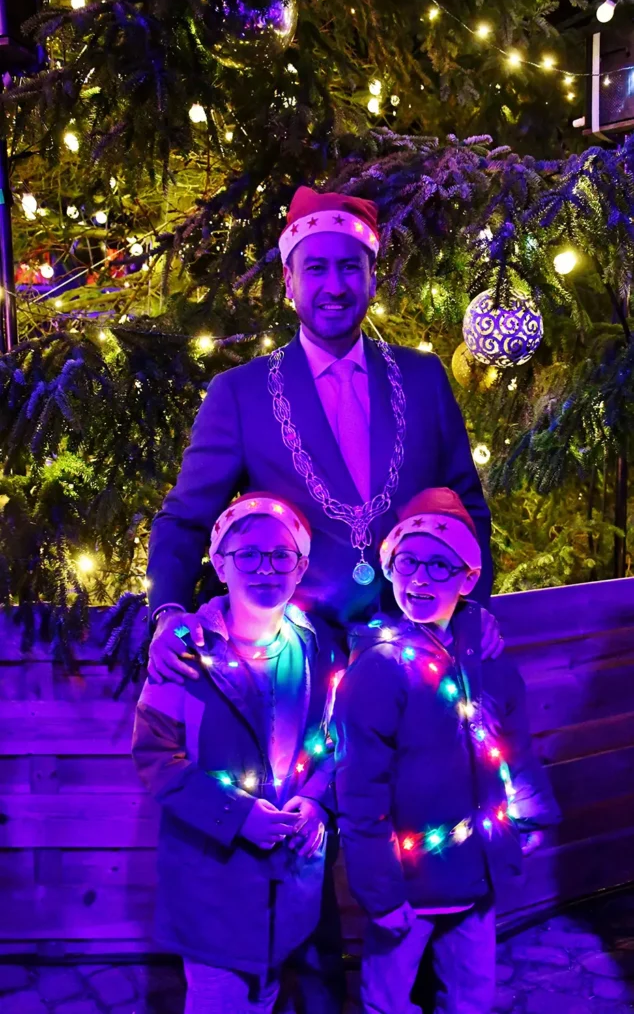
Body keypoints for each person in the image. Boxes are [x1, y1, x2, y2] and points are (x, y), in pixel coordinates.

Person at [145, 186, 503, 1013]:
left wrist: (474, 607)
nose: (335, 284)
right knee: (301, 841)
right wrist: (166, 611)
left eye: (351, 267)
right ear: (289, 281)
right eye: (317, 268)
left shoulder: (423, 378)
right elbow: (185, 518)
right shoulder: (241, 393)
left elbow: (468, 506)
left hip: (410, 663)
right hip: (299, 667)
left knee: (415, 841)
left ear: (372, 276)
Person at [334, 487, 561, 1014]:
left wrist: (528, 815)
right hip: (407, 881)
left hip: (473, 872)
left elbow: (514, 744)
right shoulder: (378, 669)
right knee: (387, 1000)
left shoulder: (486, 659)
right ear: (390, 569)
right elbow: (359, 790)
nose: (420, 578)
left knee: (471, 994)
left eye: (440, 565)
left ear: (468, 577)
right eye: (408, 562)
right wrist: (379, 890)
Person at [132, 494, 342, 1014]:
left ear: (301, 567)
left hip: (288, 879)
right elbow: (156, 754)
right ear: (221, 565)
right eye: (247, 555)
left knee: (266, 991)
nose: (264, 568)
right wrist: (235, 814)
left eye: (280, 556)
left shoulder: (315, 646)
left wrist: (317, 800)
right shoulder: (184, 651)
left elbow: (331, 739)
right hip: (213, 880)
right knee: (220, 997)